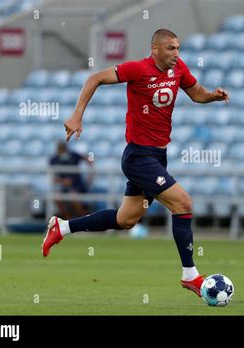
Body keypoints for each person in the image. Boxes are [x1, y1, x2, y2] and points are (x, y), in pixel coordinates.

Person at [42, 28, 229, 298]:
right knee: (183, 203)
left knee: (126, 219)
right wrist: (76, 116)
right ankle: (190, 275)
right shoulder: (137, 70)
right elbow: (95, 78)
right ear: (155, 49)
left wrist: (212, 96)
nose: (176, 54)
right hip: (139, 157)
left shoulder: (179, 69)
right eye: (171, 49)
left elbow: (196, 93)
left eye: (178, 48)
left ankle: (62, 227)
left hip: (158, 157)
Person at [49, 141, 93, 219]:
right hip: (63, 187)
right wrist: (63, 181)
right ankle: (67, 219)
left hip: (78, 186)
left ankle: (84, 219)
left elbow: (89, 160)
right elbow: (52, 178)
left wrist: (90, 175)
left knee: (73, 198)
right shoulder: (54, 159)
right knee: (57, 198)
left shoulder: (73, 155)